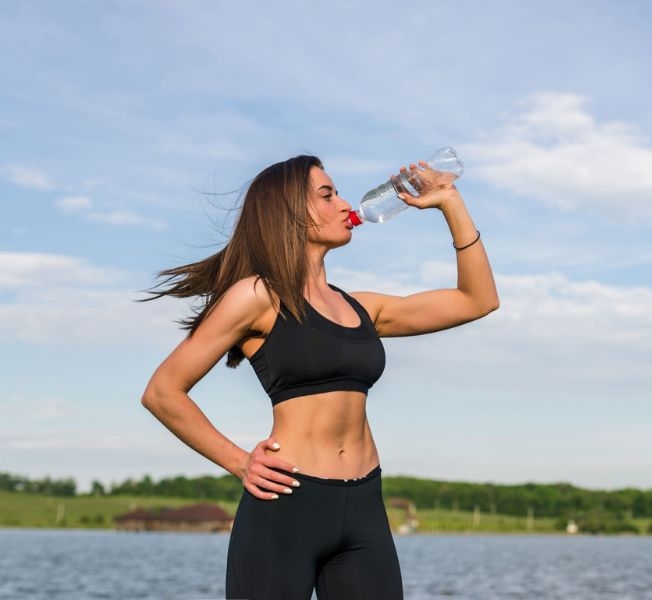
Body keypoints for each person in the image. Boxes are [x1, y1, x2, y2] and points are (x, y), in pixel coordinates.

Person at [141, 154, 499, 600]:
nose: (345, 202)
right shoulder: (255, 297)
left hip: (365, 506)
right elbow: (162, 392)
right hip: (288, 504)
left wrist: (450, 202)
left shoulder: (362, 308)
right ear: (290, 212)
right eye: (327, 194)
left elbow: (477, 300)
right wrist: (238, 461)